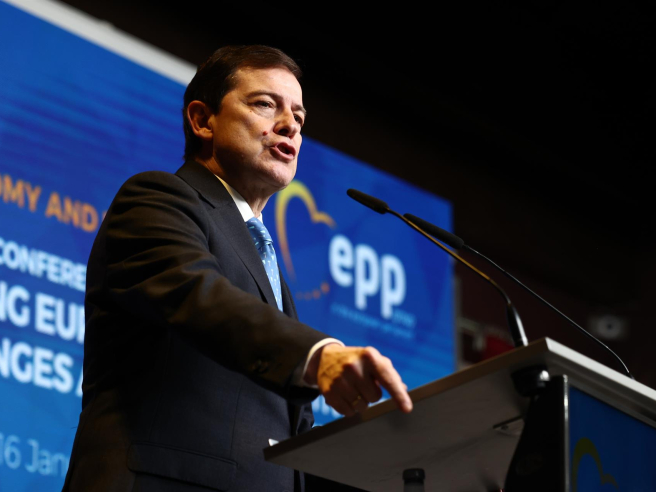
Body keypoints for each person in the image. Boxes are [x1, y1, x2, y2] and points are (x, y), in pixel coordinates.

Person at [62, 45, 412, 492]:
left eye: (299, 117)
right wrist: (317, 354)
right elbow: (199, 298)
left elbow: (285, 439)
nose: (290, 125)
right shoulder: (156, 199)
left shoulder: (267, 264)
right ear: (202, 120)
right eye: (265, 104)